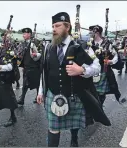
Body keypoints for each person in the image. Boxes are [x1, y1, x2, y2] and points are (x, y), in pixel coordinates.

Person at [36, 12, 111, 147]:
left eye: (58, 26)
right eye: (53, 26)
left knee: (74, 124)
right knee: (53, 128)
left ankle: (74, 138)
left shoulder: (82, 46)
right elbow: (44, 72)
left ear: (68, 27)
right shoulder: (48, 47)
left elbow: (97, 67)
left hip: (74, 94)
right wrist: (41, 91)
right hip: (53, 94)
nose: (54, 29)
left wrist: (81, 70)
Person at [89, 25, 124, 105]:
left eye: (91, 32)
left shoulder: (107, 43)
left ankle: (99, 106)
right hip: (91, 71)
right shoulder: (89, 44)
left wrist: (110, 61)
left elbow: (115, 55)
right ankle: (97, 107)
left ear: (97, 33)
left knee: (100, 94)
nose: (90, 34)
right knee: (92, 92)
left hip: (103, 70)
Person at [17, 27, 41, 105]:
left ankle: (38, 96)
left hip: (35, 66)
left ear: (29, 34)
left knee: (37, 83)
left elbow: (41, 52)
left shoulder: (36, 42)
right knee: (25, 84)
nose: (23, 35)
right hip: (26, 67)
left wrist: (36, 54)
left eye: (25, 34)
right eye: (23, 34)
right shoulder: (22, 43)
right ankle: (22, 99)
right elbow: (19, 53)